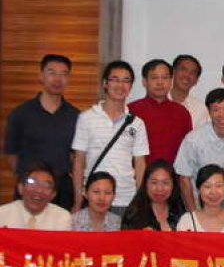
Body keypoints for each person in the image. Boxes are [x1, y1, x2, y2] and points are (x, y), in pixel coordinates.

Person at [71, 61, 149, 215]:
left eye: (126, 80)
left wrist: (140, 200)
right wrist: (78, 199)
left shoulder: (137, 123)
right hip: (94, 197)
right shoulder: (86, 118)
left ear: (131, 86)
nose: (120, 85)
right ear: (105, 83)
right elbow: (79, 161)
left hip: (126, 199)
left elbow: (140, 164)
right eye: (115, 79)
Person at [4, 54, 80, 210]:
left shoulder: (76, 116)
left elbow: (76, 157)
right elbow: (11, 153)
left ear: (68, 79)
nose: (57, 79)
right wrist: (29, 177)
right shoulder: (20, 113)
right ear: (41, 76)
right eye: (51, 72)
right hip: (30, 189)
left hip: (62, 190)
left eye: (63, 74)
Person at [175, 88, 224, 211]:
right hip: (201, 203)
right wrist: (193, 214)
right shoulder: (193, 140)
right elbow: (184, 179)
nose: (222, 114)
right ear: (209, 112)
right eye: (216, 109)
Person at [129, 59, 193, 165]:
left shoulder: (182, 113)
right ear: (144, 81)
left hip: (173, 174)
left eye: (165, 77)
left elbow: (188, 150)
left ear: (171, 81)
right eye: (154, 78)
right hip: (138, 173)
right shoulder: (131, 110)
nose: (160, 83)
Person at [0, 162, 71, 230]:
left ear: (53, 195)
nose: (39, 190)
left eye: (47, 186)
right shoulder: (2, 214)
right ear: (20, 188)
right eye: (32, 183)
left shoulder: (62, 217)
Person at [122, 160, 185, 231]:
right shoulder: (133, 214)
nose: (159, 188)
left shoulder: (182, 213)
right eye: (154, 182)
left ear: (174, 185)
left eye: (165, 183)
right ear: (146, 184)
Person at [176, 165, 224, 233]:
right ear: (198, 190)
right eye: (207, 186)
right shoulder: (187, 221)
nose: (213, 192)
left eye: (218, 186)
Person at [169, 54, 209, 128]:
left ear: (196, 80)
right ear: (173, 72)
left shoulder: (201, 109)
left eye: (192, 73)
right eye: (183, 69)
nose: (187, 75)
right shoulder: (157, 100)